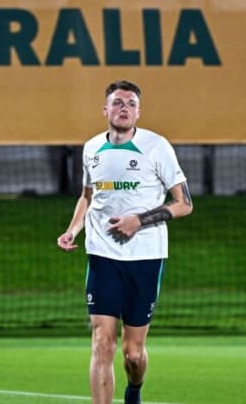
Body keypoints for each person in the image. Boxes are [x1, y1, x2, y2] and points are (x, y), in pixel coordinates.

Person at [57, 80, 193, 404]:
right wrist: (73, 229)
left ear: (138, 112)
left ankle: (134, 390)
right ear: (105, 110)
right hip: (102, 254)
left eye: (131, 104)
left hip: (146, 257)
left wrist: (138, 221)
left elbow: (184, 203)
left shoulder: (157, 147)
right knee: (102, 342)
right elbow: (88, 196)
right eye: (118, 103)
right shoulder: (91, 148)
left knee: (132, 354)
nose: (124, 108)